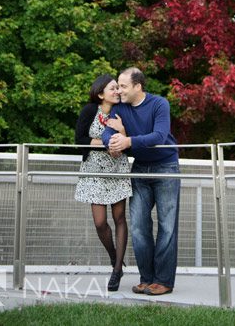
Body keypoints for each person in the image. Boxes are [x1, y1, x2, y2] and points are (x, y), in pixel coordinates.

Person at [102, 67, 180, 296]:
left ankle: (163, 281)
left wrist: (127, 142)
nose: (119, 90)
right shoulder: (119, 108)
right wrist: (113, 142)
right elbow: (108, 132)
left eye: (123, 86)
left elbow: (160, 136)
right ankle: (147, 279)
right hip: (140, 170)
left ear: (138, 86)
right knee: (138, 225)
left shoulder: (159, 104)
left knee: (167, 226)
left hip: (166, 168)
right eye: (117, 85)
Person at [74, 74, 132, 291]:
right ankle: (113, 256)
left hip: (117, 170)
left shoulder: (123, 112)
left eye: (118, 88)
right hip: (94, 172)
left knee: (119, 218)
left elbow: (130, 142)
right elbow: (79, 140)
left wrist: (122, 135)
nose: (117, 91)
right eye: (112, 88)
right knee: (100, 223)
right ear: (100, 94)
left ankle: (117, 270)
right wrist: (107, 143)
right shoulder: (90, 111)